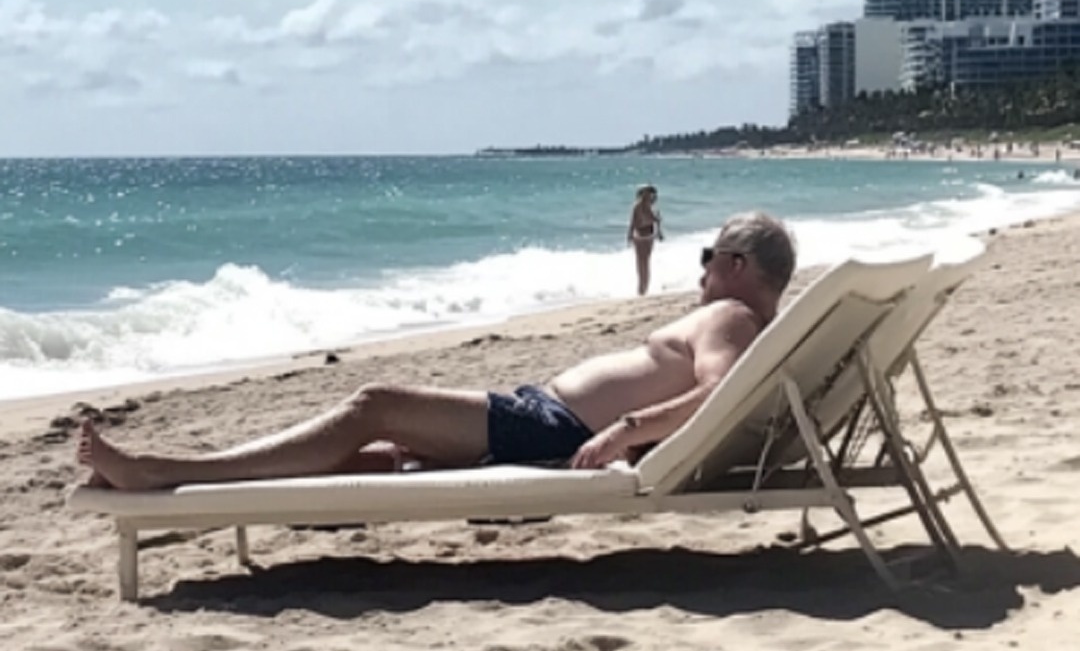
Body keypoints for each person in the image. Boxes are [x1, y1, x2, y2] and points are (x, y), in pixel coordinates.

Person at [77, 212, 796, 490]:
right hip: (541, 419)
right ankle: (175, 473)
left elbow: (717, 391)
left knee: (375, 404)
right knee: (378, 457)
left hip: (551, 429)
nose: (699, 269)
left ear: (734, 262)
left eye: (707, 255)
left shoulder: (729, 316)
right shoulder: (745, 319)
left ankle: (156, 471)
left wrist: (627, 431)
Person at [627, 184, 662, 295]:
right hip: (645, 235)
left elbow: (633, 222)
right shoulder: (645, 206)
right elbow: (653, 220)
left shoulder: (639, 206)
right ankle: (643, 287)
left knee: (642, 262)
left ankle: (642, 287)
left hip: (642, 235)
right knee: (644, 262)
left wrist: (629, 234)